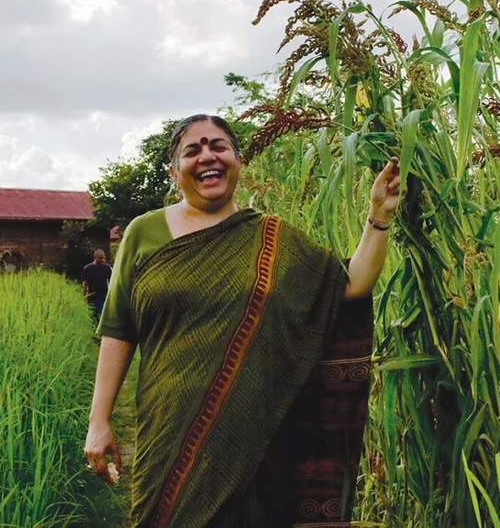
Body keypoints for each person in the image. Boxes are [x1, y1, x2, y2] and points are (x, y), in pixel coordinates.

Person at [83, 114, 400, 527]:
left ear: (237, 160)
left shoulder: (273, 240)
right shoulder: (144, 233)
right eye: (192, 150)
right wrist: (99, 420)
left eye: (218, 146)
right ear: (174, 171)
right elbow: (118, 330)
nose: (207, 156)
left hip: (255, 434)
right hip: (167, 429)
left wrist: (379, 216)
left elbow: (349, 286)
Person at [82, 249, 113, 323]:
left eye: (103, 258)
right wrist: (84, 296)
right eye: (101, 258)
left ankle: (100, 332)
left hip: (103, 296)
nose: (103, 260)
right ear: (95, 257)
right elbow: (85, 283)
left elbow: (112, 282)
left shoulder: (107, 268)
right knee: (92, 316)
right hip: (92, 296)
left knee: (102, 316)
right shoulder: (88, 268)